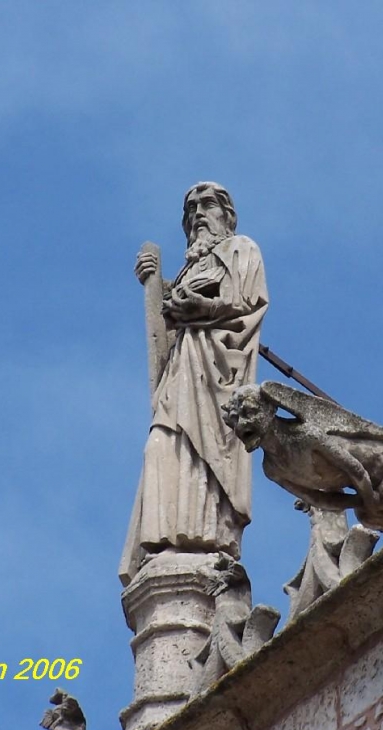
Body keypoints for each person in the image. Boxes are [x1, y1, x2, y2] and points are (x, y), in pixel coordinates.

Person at [119, 182, 268, 586]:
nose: (198, 214)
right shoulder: (188, 271)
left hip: (216, 371)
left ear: (226, 215)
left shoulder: (241, 250)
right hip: (182, 371)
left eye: (206, 205)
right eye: (190, 209)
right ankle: (166, 542)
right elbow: (162, 343)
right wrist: (154, 289)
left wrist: (204, 308)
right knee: (159, 447)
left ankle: (208, 538)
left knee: (204, 454)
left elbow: (250, 305)